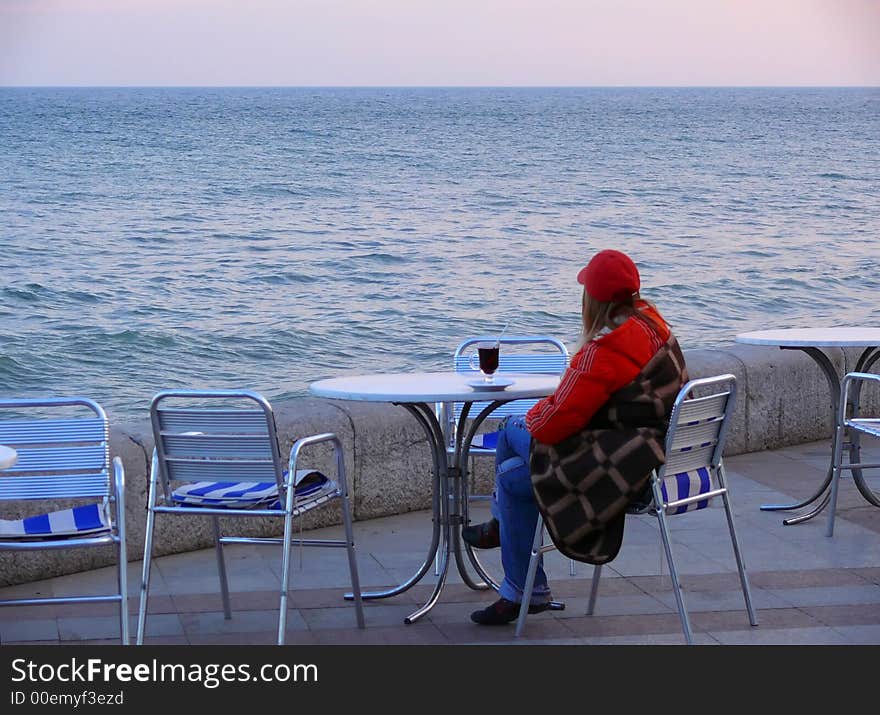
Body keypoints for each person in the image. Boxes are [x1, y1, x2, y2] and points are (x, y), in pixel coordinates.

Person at [463, 248, 688, 625]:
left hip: (621, 471)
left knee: (510, 429)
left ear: (593, 298)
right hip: (655, 461)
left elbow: (552, 424)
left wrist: (531, 415)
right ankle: (520, 583)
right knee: (514, 478)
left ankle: (507, 546)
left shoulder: (608, 350)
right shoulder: (656, 327)